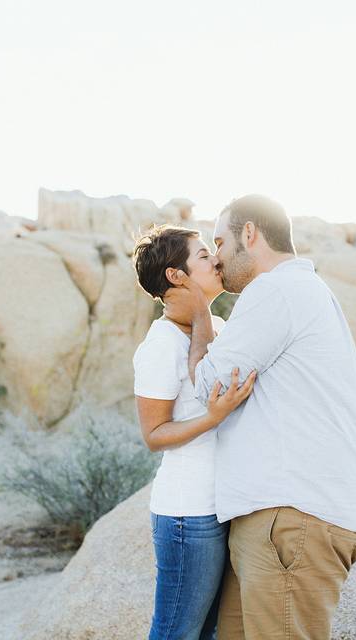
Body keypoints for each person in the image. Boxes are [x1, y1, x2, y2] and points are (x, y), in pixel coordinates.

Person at [163, 195, 356, 639]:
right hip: (278, 520)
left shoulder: (275, 289)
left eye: (219, 241)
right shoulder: (306, 291)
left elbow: (210, 387)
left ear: (250, 234)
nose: (217, 257)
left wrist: (201, 314)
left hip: (290, 520)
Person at [132, 224, 257, 640]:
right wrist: (211, 418)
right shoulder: (160, 346)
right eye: (203, 256)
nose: (216, 260)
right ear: (176, 276)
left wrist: (203, 311)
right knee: (176, 633)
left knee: (206, 634)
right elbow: (154, 434)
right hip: (189, 514)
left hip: (222, 506)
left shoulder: (216, 327)